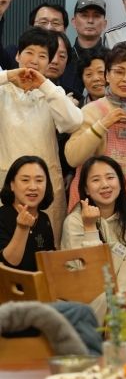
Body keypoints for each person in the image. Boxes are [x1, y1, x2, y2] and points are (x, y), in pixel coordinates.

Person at [0, 28, 83, 240]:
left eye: (43, 56)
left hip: (45, 186)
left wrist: (45, 85)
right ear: (17, 55)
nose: (34, 61)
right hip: (6, 182)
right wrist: (8, 75)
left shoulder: (53, 93)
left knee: (46, 246)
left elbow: (74, 122)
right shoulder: (3, 90)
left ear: (49, 63)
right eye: (29, 52)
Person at [61, 156, 126, 336]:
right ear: (86, 189)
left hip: (118, 302)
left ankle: (102, 348)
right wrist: (90, 228)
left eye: (110, 177)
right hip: (81, 299)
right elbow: (88, 274)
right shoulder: (74, 221)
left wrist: (116, 305)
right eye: (96, 180)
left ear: (121, 183)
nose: (105, 185)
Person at [64, 43, 126, 211]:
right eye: (119, 72)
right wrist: (103, 124)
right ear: (107, 76)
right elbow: (73, 158)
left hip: (123, 199)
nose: (125, 79)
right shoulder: (90, 110)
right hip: (88, 199)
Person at [0, 156, 55, 270]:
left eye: (39, 180)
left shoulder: (44, 219)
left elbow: (50, 259)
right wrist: (22, 228)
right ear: (12, 184)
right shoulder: (2, 216)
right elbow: (9, 263)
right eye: (25, 180)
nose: (33, 187)